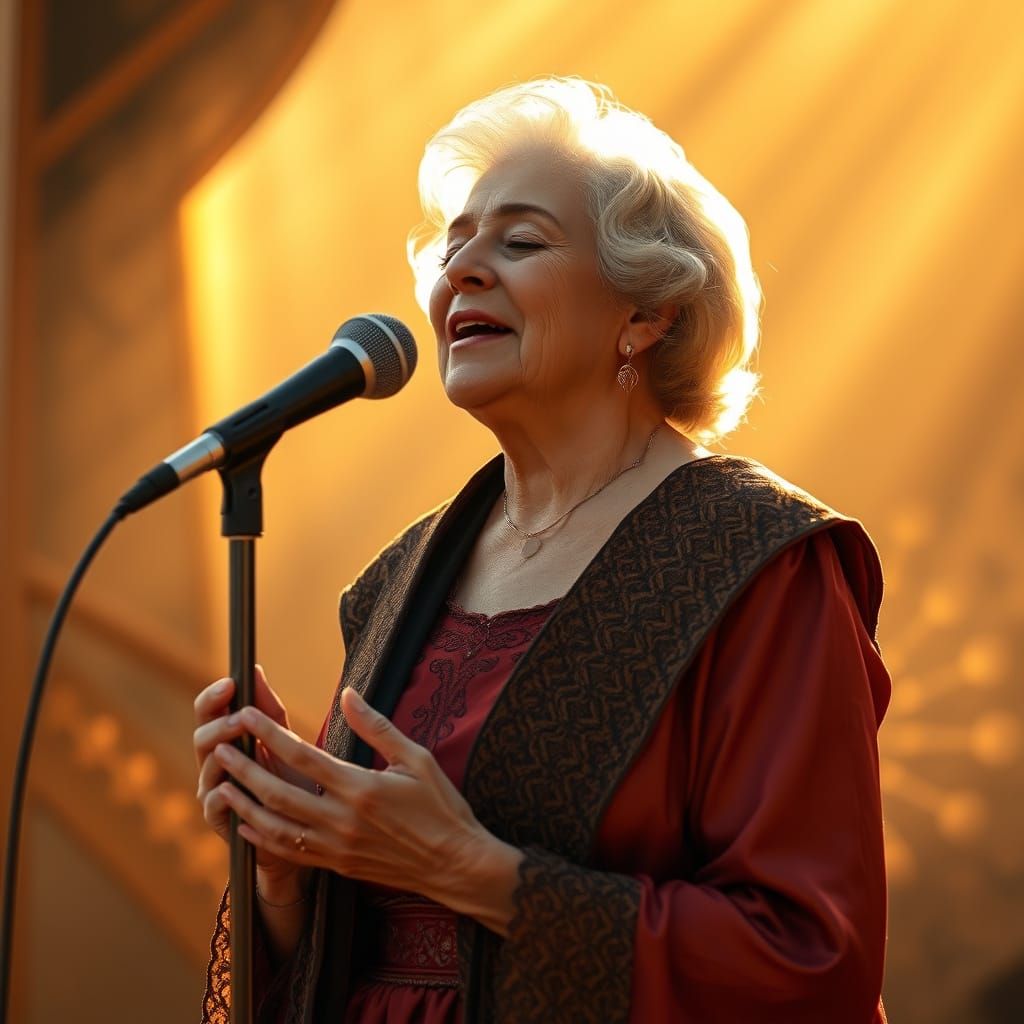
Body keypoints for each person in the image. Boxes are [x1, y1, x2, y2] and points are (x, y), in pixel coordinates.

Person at [196, 77, 891, 1023]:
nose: (463, 271)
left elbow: (811, 962)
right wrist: (287, 865)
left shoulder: (760, 562)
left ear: (649, 316)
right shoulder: (400, 581)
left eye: (520, 242)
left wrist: (475, 871)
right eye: (455, 245)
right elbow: (343, 957)